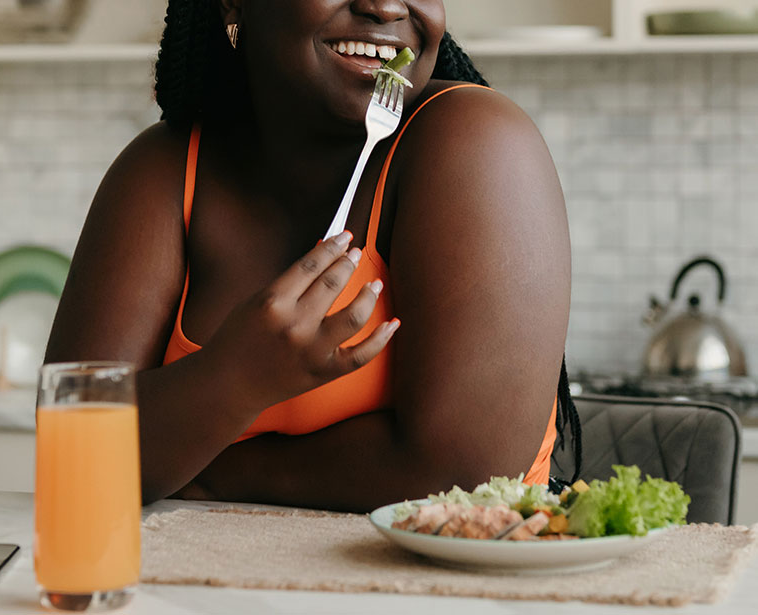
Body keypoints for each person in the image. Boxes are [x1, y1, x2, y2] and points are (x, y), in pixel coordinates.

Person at [44, 0, 581, 512]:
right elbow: (71, 452)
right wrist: (237, 376)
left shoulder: (477, 140)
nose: (387, 7)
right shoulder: (161, 170)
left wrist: (205, 464)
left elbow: (462, 472)